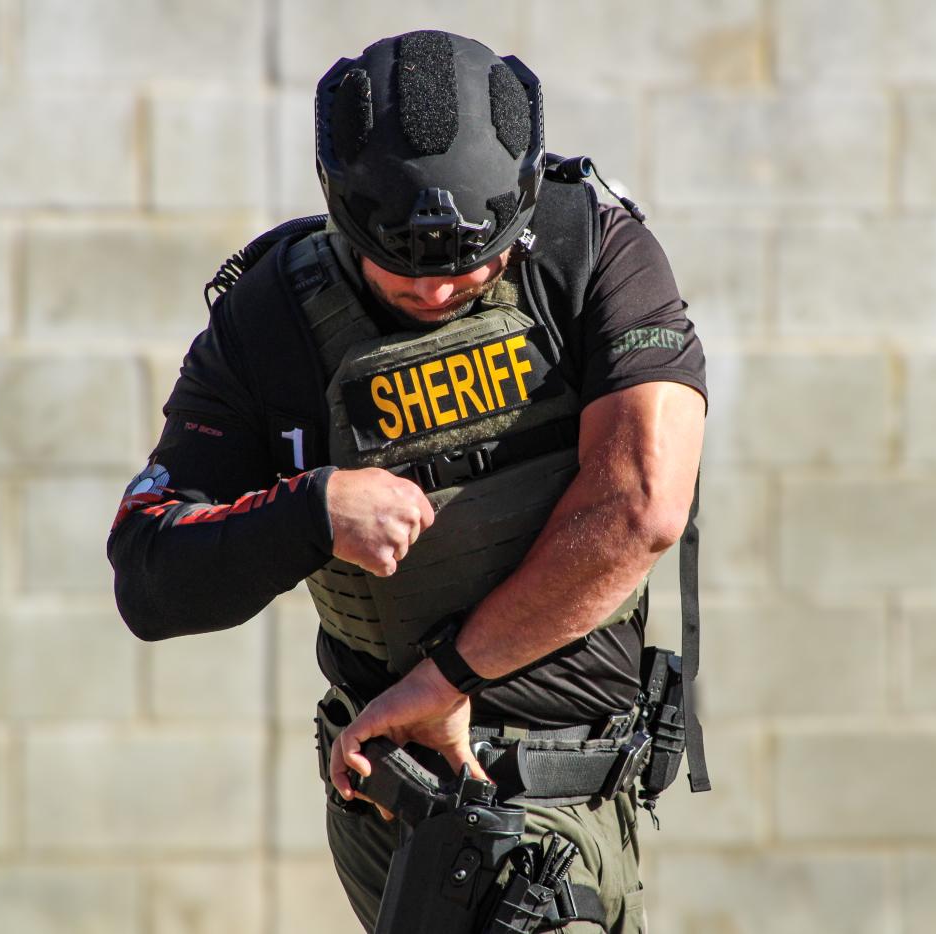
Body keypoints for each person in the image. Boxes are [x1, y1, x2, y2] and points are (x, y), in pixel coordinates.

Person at [108, 29, 706, 933]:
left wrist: (449, 676)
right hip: (415, 814)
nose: (434, 292)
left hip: (578, 801)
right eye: (402, 267)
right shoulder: (272, 318)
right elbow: (149, 574)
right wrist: (311, 512)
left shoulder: (588, 247)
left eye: (469, 265)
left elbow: (643, 505)